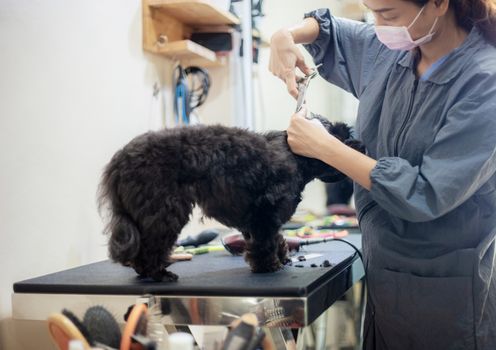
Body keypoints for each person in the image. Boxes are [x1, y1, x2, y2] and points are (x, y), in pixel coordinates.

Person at [269, 0, 496, 348]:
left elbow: (425, 193)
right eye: (371, 11)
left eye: (387, 14)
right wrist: (286, 35)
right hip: (385, 278)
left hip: (449, 291)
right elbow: (334, 31)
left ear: (438, 3)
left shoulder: (485, 83)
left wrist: (325, 147)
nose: (377, 25)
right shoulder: (393, 52)